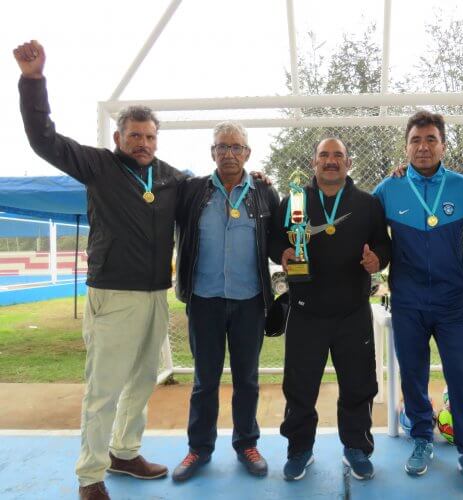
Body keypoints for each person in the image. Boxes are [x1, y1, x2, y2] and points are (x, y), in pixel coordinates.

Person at [14, 40, 184, 500]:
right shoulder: (98, 166)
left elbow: (209, 193)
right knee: (103, 389)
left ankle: (125, 451)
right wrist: (33, 81)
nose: (143, 143)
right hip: (112, 293)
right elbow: (42, 139)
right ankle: (91, 475)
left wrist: (257, 180)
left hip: (155, 294)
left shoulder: (170, 177)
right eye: (135, 136)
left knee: (145, 379)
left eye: (149, 137)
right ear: (118, 138)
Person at [373, 110, 463, 492]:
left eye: (430, 140)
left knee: (461, 375)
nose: (423, 147)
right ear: (406, 146)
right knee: (413, 375)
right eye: (415, 141)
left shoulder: (462, 186)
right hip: (407, 301)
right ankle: (422, 438)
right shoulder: (388, 188)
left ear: (442, 144)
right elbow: (367, 228)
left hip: (453, 301)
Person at [269, 138, 391, 482]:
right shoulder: (294, 201)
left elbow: (383, 242)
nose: (331, 160)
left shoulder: (367, 204)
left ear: (348, 163)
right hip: (305, 310)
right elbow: (272, 239)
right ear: (314, 162)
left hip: (352, 311)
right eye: (324, 155)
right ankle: (299, 450)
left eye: (338, 155)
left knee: (358, 385)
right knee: (299, 386)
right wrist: (283, 253)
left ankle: (356, 448)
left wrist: (376, 259)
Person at [172, 122, 279, 481]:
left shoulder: (265, 193)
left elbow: (279, 243)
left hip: (250, 301)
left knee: (247, 379)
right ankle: (198, 449)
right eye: (222, 147)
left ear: (248, 153)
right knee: (205, 380)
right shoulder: (191, 191)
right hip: (204, 300)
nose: (229, 154)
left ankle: (247, 444)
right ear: (212, 152)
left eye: (236, 147)